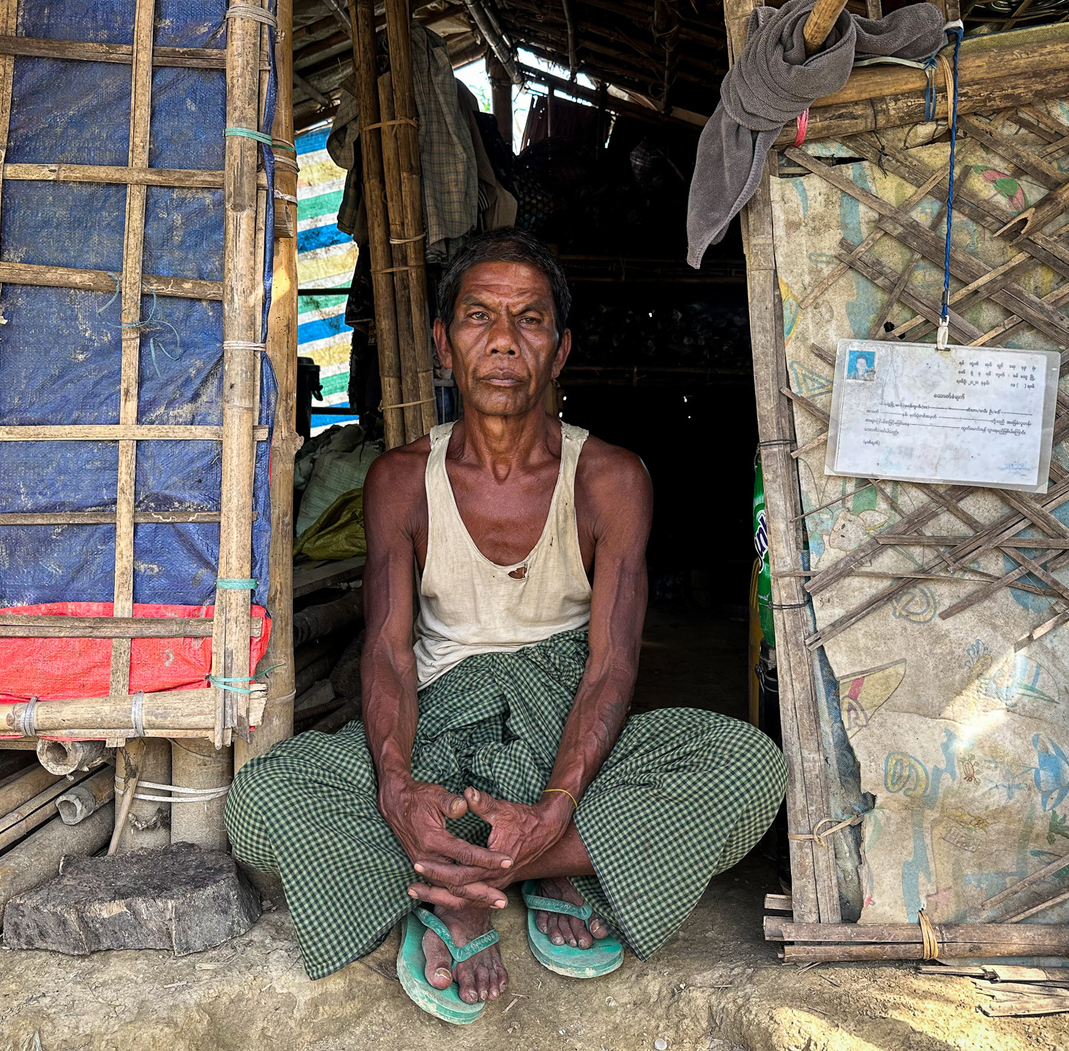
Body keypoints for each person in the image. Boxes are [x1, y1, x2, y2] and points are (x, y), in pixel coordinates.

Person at [225, 228, 787, 1024]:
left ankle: (473, 877)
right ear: (443, 344)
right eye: (478, 316)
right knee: (260, 800)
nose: (502, 340)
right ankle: (543, 864)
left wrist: (556, 803)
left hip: (567, 738)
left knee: (748, 766)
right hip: (438, 736)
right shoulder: (400, 479)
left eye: (529, 320)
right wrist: (394, 788)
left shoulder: (612, 478)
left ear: (559, 350)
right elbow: (387, 650)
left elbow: (610, 668)